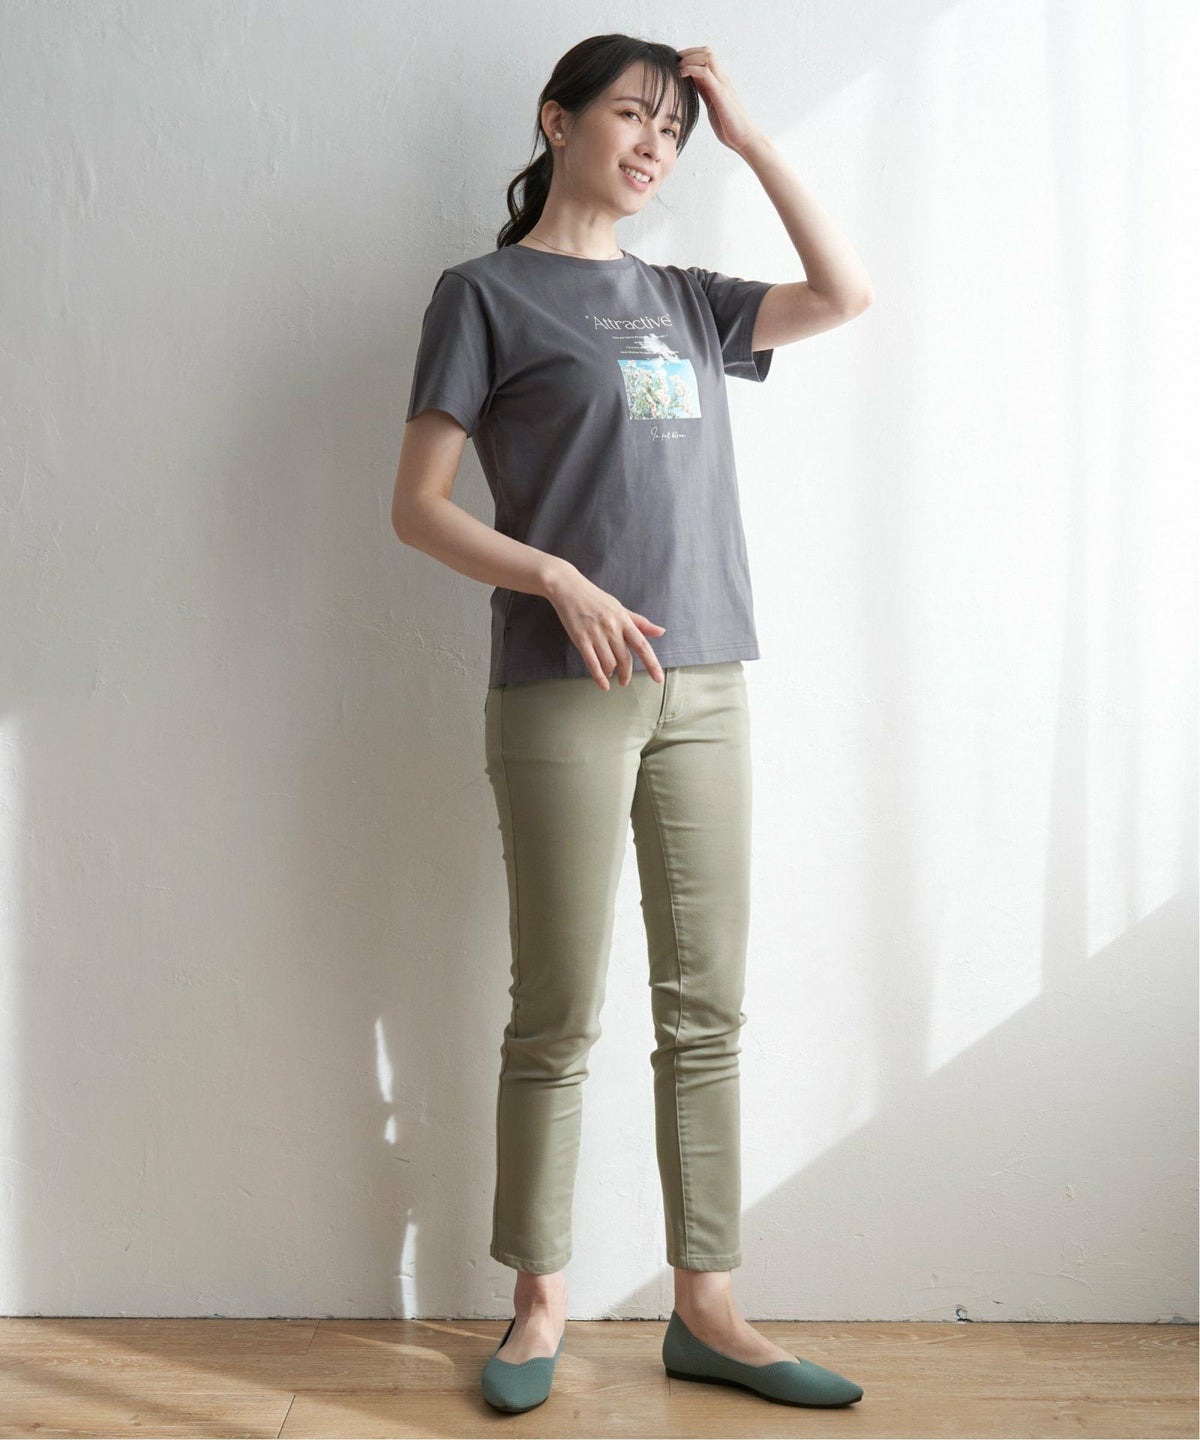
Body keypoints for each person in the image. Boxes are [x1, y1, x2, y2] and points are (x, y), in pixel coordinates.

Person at [392, 33, 873, 1413]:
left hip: (707, 679)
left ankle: (706, 1307)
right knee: (556, 1008)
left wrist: (750, 134)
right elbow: (416, 507)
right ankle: (537, 1304)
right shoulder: (484, 295)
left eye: (676, 127)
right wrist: (551, 573)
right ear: (556, 121)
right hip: (564, 684)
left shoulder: (686, 300)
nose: (658, 143)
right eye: (632, 114)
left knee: (705, 1007)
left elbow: (846, 293)